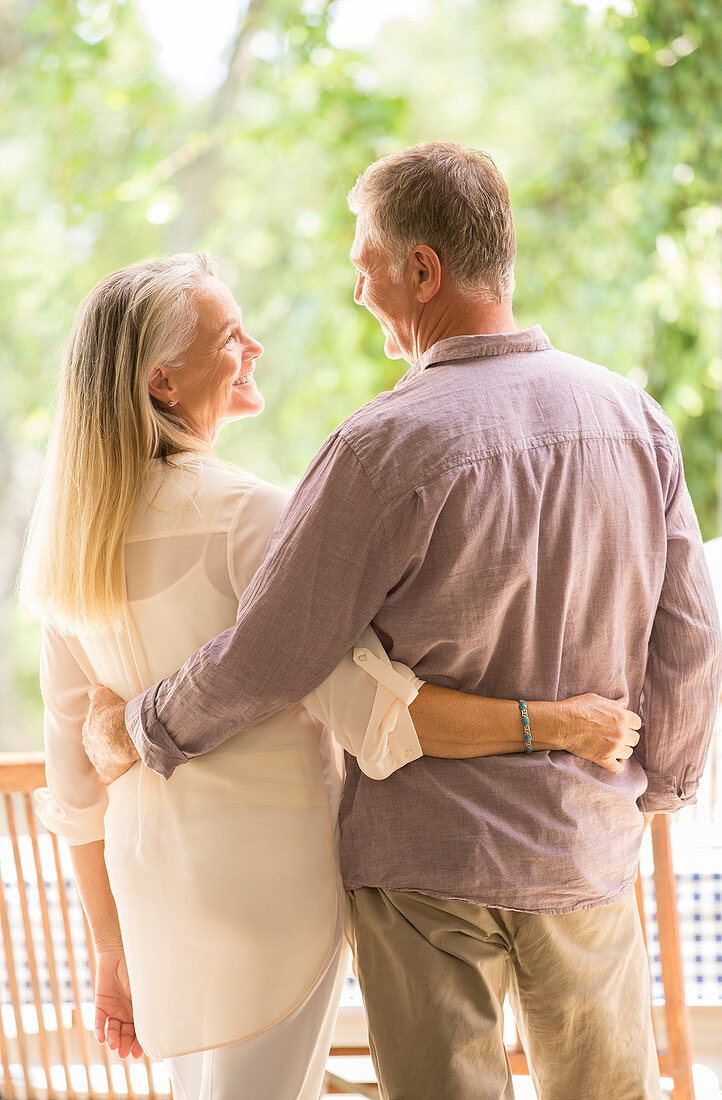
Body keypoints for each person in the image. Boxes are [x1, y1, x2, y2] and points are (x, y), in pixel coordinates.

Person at [83, 143, 722, 1100]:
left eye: (363, 263)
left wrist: (143, 728)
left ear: (422, 269)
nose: (357, 288)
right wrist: (657, 785)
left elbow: (272, 650)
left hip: (428, 868)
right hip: (584, 848)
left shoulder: (382, 445)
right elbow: (690, 636)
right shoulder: (634, 419)